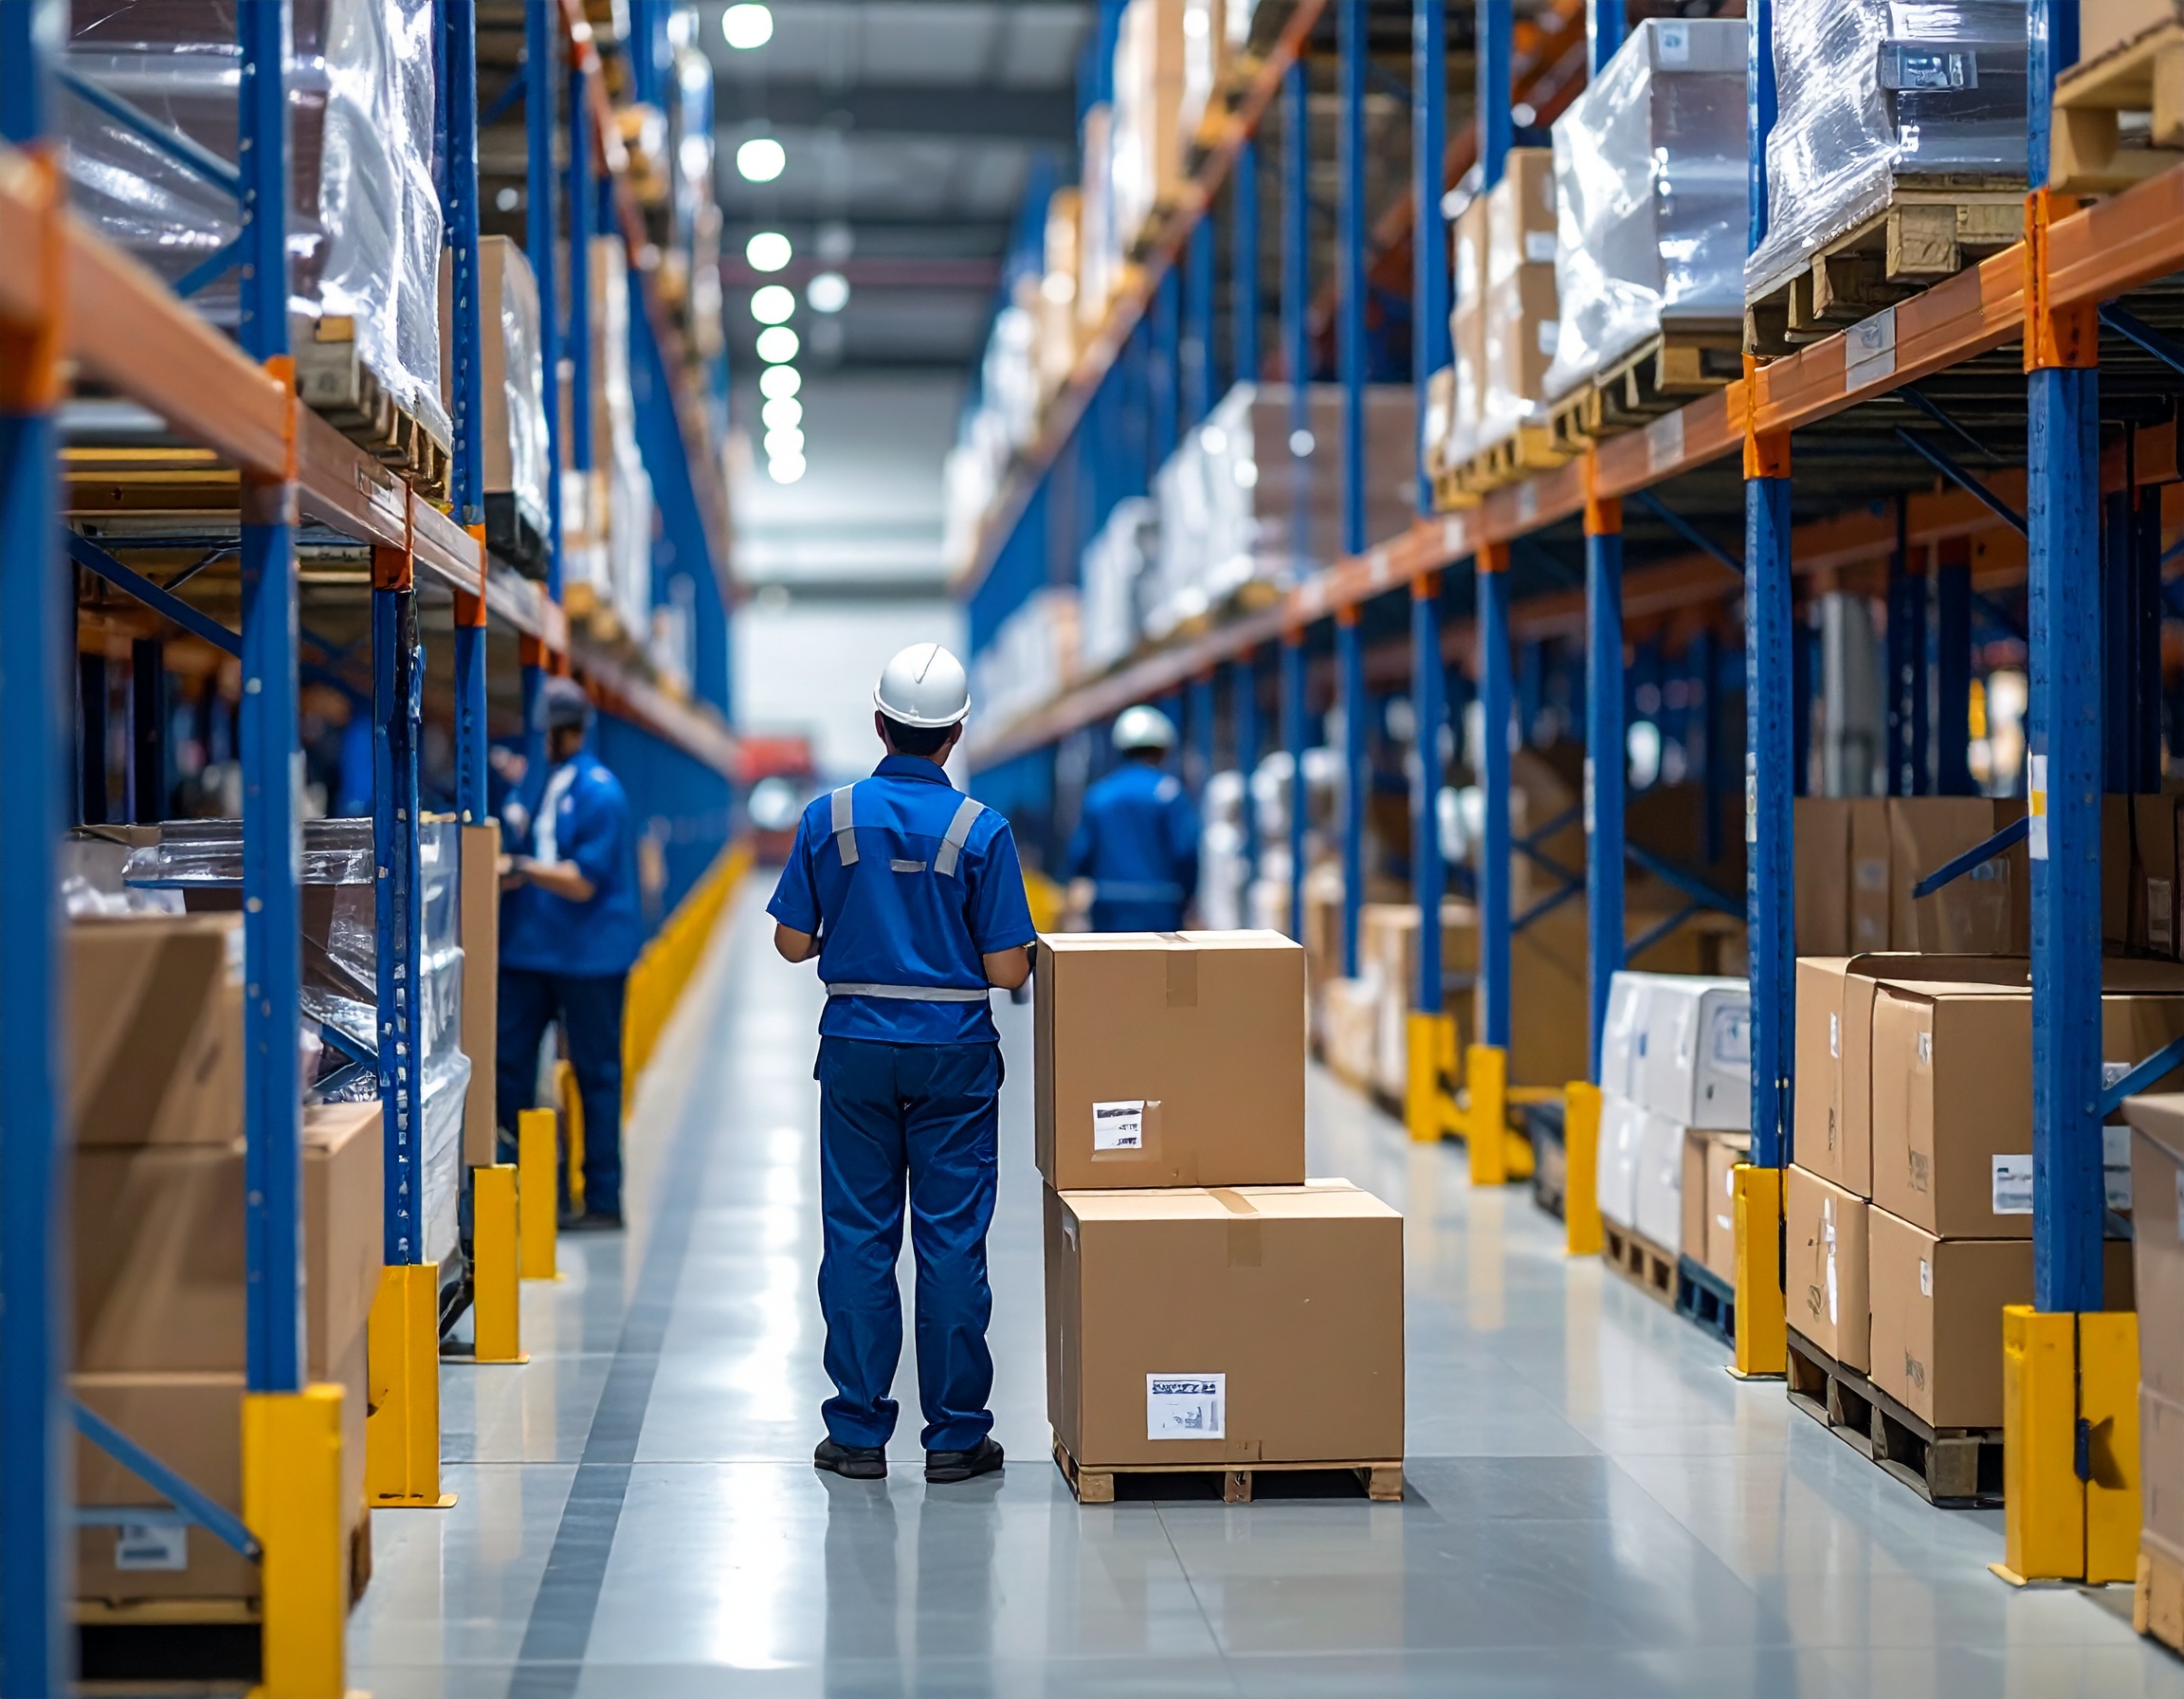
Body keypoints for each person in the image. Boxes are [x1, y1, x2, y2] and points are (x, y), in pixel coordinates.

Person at [767, 642, 1035, 1486]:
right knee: (951, 1242)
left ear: (880, 722)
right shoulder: (982, 830)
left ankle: (856, 1433)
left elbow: (790, 943)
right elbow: (1007, 970)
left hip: (854, 1051)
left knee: (857, 1237)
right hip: (954, 1054)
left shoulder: (829, 817)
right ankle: (955, 1437)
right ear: (955, 735)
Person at [496, 676, 645, 1231]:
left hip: (590, 959)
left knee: (596, 1075)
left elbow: (583, 882)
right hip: (532, 954)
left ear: (564, 732)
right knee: (510, 1068)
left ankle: (603, 1198)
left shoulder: (601, 792)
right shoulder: (542, 785)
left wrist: (520, 871)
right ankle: (528, 1187)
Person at [1062, 703, 1200, 932]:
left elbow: (1080, 854)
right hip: (1162, 906)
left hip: (1109, 908)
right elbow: (1184, 851)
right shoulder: (1169, 793)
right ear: (1162, 750)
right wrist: (1188, 895)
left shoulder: (1099, 795)